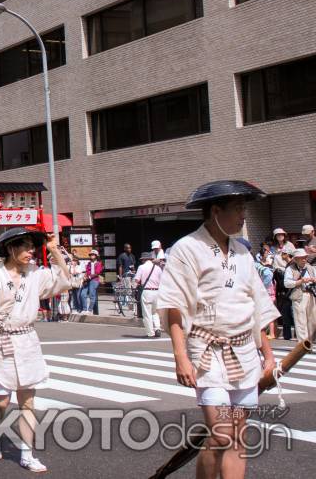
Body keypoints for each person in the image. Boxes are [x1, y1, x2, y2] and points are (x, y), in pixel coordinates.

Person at [156, 180, 278, 479]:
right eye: (237, 209)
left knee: (238, 436)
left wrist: (269, 354)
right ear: (215, 211)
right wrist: (180, 356)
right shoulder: (188, 248)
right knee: (221, 433)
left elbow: (255, 305)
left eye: (244, 209)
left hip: (244, 352)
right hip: (207, 352)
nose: (243, 216)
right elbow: (175, 305)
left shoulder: (241, 252)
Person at [0, 228, 69, 473]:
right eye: (25, 247)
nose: (30, 252)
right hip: (3, 341)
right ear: (11, 249)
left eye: (32, 247)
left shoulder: (35, 274)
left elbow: (64, 280)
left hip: (28, 340)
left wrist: (53, 249)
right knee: (2, 401)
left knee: (28, 401)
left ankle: (27, 453)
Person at [284, 248, 315, 342]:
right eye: (301, 258)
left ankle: (310, 342)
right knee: (301, 322)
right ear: (295, 259)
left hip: (311, 295)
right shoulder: (290, 268)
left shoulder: (310, 267)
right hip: (298, 296)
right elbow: (286, 283)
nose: (304, 259)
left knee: (313, 321)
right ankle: (303, 345)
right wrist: (300, 281)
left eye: (305, 257)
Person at [133, 252, 163, 338]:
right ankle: (157, 328)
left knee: (147, 313)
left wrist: (133, 288)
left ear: (143, 259)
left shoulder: (141, 267)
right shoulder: (158, 268)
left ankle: (151, 332)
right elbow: (162, 281)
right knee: (155, 312)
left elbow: (137, 280)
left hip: (147, 291)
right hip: (157, 292)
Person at [78, 250, 103, 314]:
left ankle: (89, 310)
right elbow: (86, 271)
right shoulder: (89, 263)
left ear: (96, 256)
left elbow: (97, 273)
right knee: (83, 294)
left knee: (92, 295)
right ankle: (84, 309)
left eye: (93, 255)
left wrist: (89, 277)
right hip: (87, 280)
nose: (91, 256)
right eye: (91, 255)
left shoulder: (99, 263)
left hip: (94, 280)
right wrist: (85, 277)